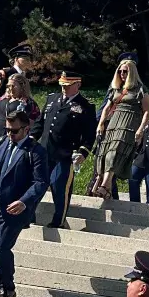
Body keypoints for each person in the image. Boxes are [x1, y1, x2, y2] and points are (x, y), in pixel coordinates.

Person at [0, 108, 49, 297]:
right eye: (7, 130)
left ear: (26, 129)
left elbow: (41, 182)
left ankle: (8, 286)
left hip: (14, 210)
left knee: (2, 247)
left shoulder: (36, 151)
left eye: (14, 131)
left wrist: (24, 201)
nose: (9, 135)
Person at [37, 71, 96, 229]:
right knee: (37, 183)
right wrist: (30, 139)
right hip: (45, 150)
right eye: (62, 85)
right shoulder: (52, 99)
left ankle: (58, 220)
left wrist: (83, 152)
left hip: (65, 154)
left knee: (60, 186)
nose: (64, 88)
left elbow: (90, 134)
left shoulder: (86, 106)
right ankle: (29, 215)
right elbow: (40, 123)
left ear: (77, 84)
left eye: (68, 85)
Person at [93, 59, 149, 199]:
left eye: (125, 71)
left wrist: (141, 129)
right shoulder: (116, 88)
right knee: (106, 153)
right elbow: (107, 108)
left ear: (132, 72)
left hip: (129, 124)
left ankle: (104, 185)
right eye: (120, 71)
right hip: (114, 123)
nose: (122, 74)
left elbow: (146, 111)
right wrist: (101, 123)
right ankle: (107, 189)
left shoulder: (140, 89)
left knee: (115, 152)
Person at [0, 72, 41, 154]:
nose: (10, 88)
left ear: (22, 86)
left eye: (13, 86)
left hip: (7, 139)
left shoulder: (28, 104)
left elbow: (32, 126)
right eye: (8, 86)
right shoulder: (2, 99)